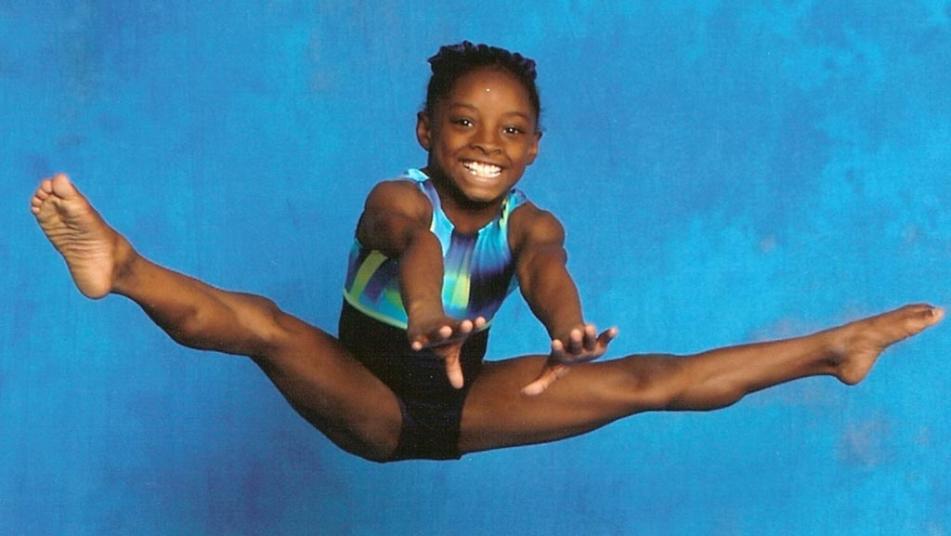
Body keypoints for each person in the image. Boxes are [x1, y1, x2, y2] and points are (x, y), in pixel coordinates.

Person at [31, 41, 942, 462]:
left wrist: (568, 329)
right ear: (425, 130)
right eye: (463, 122)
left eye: (510, 130)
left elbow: (546, 273)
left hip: (464, 406)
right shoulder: (398, 197)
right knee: (265, 326)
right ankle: (124, 266)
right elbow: (413, 243)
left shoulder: (531, 222)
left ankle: (831, 349)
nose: (485, 143)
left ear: (534, 147)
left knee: (646, 381)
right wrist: (428, 317)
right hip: (365, 395)